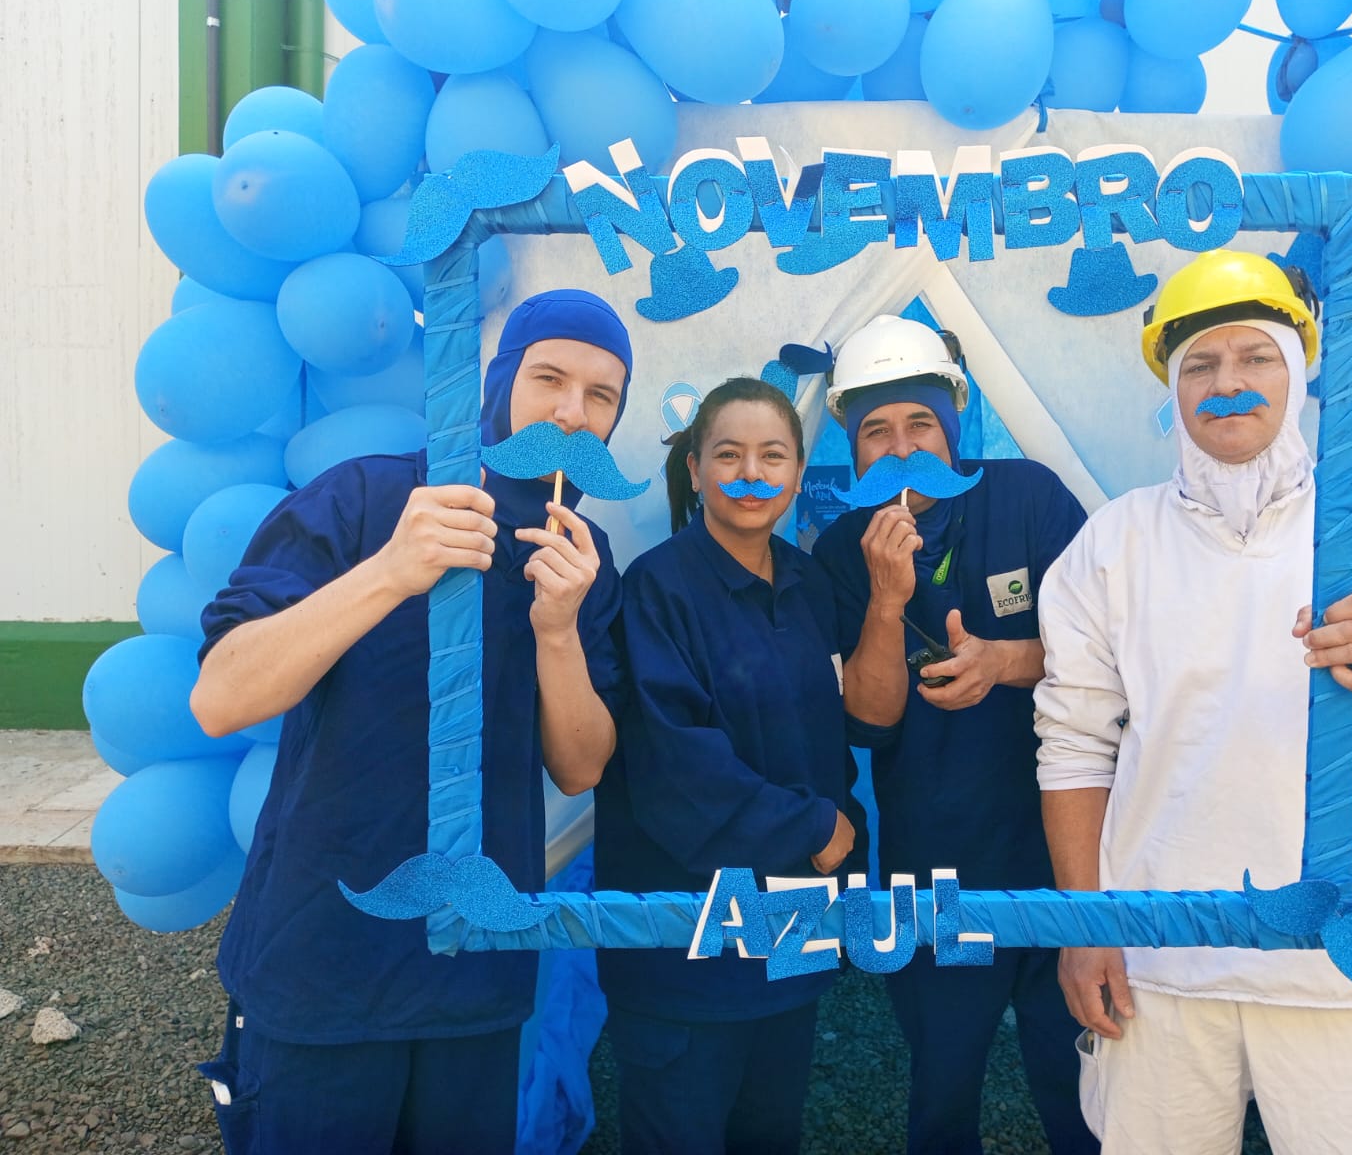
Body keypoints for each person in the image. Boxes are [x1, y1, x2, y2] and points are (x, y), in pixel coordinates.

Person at [1033, 249, 1352, 1154]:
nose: (1228, 383)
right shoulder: (1111, 546)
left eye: (1256, 356)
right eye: (1201, 364)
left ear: (1299, 372)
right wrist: (1086, 927)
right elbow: (1074, 749)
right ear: (1172, 388)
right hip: (1162, 968)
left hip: (1350, 974)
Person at [188, 289, 633, 1154]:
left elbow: (581, 767)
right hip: (320, 968)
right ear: (500, 380)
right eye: (549, 378)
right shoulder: (366, 494)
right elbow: (221, 698)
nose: (572, 414)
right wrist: (391, 570)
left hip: (477, 978)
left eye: (602, 395)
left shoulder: (584, 558)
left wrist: (557, 633)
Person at [810, 315, 1098, 1154]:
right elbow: (868, 722)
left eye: (920, 424)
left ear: (954, 422)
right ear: (852, 446)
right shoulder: (841, 548)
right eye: (877, 431)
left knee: (1085, 1087)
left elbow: (1112, 654)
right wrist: (886, 600)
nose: (902, 449)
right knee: (943, 1085)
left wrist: (1004, 661)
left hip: (1062, 854)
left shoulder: (1029, 497)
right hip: (932, 867)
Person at [593, 376, 864, 1155]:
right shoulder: (657, 588)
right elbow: (672, 767)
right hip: (687, 952)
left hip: (793, 934)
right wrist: (817, 828)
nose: (751, 473)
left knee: (771, 1132)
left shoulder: (810, 585)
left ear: (799, 472)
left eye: (772, 455)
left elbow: (827, 737)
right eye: (728, 455)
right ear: (695, 469)